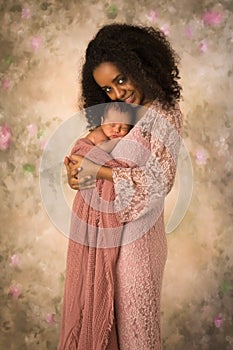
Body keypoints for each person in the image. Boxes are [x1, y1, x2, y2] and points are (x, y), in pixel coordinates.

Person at [59, 23, 183, 350]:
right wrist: (78, 173)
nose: (117, 93)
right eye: (108, 90)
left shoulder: (163, 115)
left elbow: (158, 185)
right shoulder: (123, 115)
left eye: (121, 79)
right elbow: (94, 153)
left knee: (137, 337)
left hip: (137, 248)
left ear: (140, 65)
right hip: (108, 242)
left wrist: (97, 171)